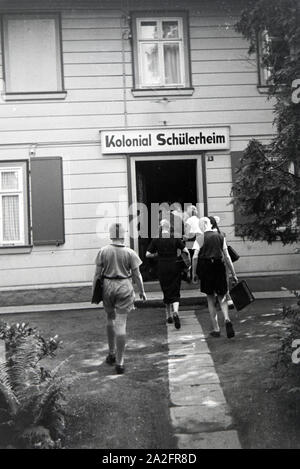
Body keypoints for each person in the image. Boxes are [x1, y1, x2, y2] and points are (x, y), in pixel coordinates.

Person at [93, 222, 147, 374]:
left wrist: (94, 292)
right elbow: (137, 275)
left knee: (110, 318)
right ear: (123, 235)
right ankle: (120, 362)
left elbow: (97, 275)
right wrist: (142, 291)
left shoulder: (103, 251)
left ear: (110, 235)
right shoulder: (130, 253)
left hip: (108, 285)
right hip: (124, 285)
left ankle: (111, 353)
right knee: (121, 324)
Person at [192, 217, 238, 338]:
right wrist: (233, 274)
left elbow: (195, 257)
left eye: (200, 225)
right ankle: (227, 319)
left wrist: (194, 274)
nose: (199, 227)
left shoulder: (200, 238)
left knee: (210, 299)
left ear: (203, 225)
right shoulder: (220, 236)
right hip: (219, 266)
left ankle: (216, 329)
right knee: (222, 297)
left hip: (206, 269)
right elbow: (227, 256)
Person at [146, 219, 190, 329]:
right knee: (175, 289)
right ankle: (175, 311)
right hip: (174, 265)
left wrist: (156, 255)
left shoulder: (156, 239)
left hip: (162, 266)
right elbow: (186, 251)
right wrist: (187, 265)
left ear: (160, 227)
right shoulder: (175, 237)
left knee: (166, 289)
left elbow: (147, 254)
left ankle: (169, 315)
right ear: (169, 227)